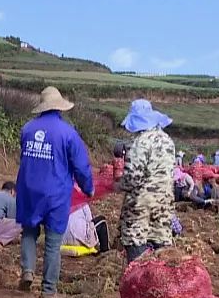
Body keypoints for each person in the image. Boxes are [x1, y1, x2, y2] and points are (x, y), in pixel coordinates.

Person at [16, 87, 93, 298]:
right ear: (60, 108)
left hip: (29, 189)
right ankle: (48, 289)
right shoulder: (68, 133)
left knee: (29, 232)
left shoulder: (27, 129)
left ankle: (28, 271)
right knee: (53, 242)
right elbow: (81, 166)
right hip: (56, 193)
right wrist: (88, 188)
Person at [119, 99, 176, 261]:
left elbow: (133, 178)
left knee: (137, 246)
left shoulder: (140, 142)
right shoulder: (167, 141)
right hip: (164, 202)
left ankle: (140, 282)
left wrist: (119, 185)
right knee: (162, 248)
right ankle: (162, 283)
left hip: (141, 204)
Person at [62, 190, 109, 256]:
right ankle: (105, 252)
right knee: (102, 220)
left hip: (63, 240)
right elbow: (90, 221)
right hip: (80, 240)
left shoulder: (61, 202)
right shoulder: (82, 203)